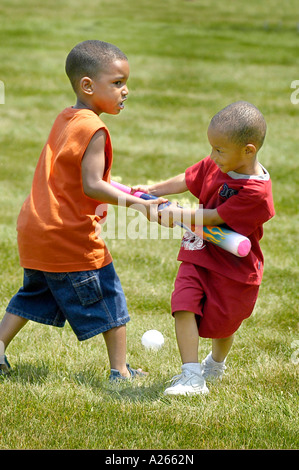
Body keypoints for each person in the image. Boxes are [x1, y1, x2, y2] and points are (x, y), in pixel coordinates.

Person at [0, 40, 166, 381]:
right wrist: (137, 205)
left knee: (34, 294)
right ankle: (120, 371)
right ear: (87, 85)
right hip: (69, 235)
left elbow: (72, 176)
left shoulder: (68, 117)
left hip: (36, 229)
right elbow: (92, 185)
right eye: (117, 83)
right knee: (109, 297)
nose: (126, 91)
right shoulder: (94, 129)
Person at [134, 101, 275, 395]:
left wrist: (176, 214)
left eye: (219, 150)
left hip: (234, 268)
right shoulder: (220, 161)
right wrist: (153, 191)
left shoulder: (256, 192)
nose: (212, 156)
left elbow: (215, 217)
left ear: (248, 150)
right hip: (198, 253)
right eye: (211, 148)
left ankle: (215, 364)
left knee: (225, 324)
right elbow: (189, 178)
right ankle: (191, 375)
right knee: (183, 304)